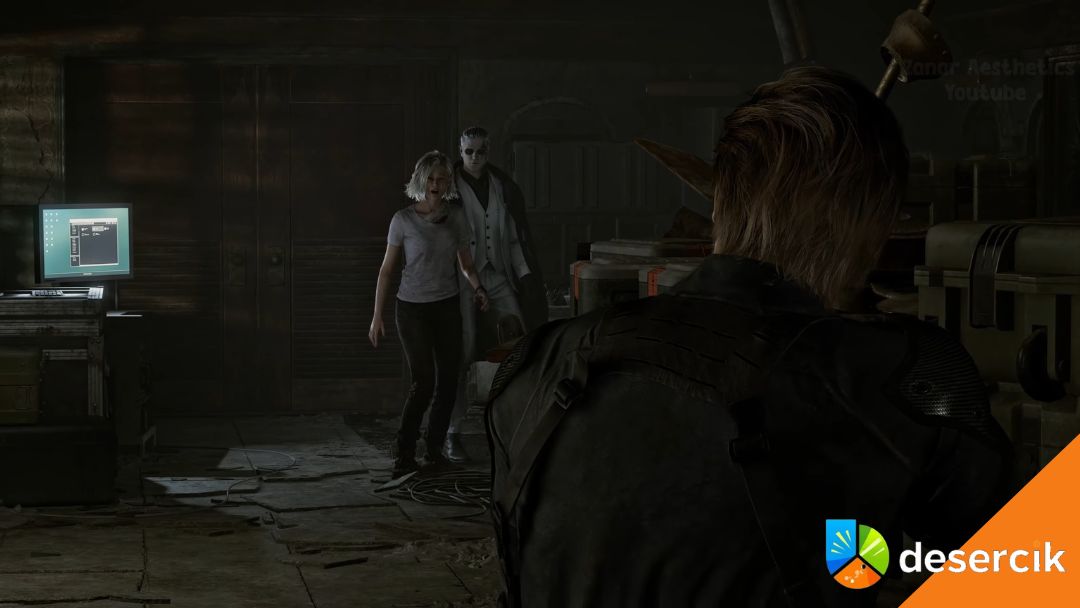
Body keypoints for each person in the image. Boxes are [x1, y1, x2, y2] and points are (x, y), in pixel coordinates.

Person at [486, 67, 1015, 607]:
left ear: (721, 203)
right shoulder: (905, 377)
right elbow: (1018, 571)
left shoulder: (535, 364)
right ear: (870, 222)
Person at [369, 151, 489, 478]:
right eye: (431, 179)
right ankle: (404, 453)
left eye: (442, 179)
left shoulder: (457, 217)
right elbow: (386, 271)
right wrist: (377, 315)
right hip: (412, 310)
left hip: (446, 307)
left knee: (449, 381)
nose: (437, 184)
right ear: (421, 181)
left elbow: (466, 265)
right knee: (424, 382)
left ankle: (434, 452)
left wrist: (478, 288)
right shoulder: (402, 220)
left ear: (449, 183)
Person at [442, 126, 547, 462]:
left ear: (489, 152)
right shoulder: (447, 188)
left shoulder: (503, 188)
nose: (474, 158)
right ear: (460, 151)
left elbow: (514, 239)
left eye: (481, 152)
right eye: (468, 152)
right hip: (460, 280)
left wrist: (526, 277)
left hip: (498, 275)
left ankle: (517, 427)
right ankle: (451, 433)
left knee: (518, 345)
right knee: (461, 350)